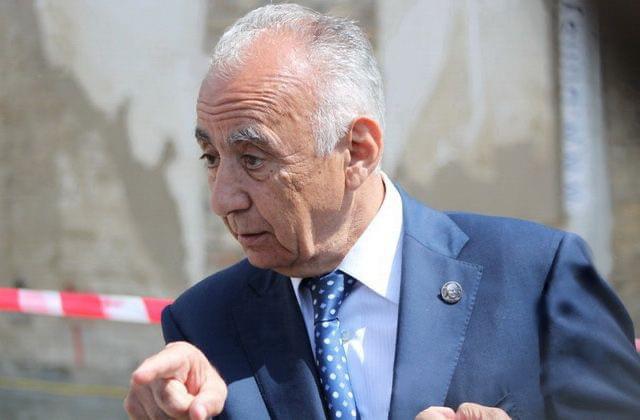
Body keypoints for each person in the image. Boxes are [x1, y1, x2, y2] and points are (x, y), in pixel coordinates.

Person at [124, 4, 640, 419]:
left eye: (254, 159)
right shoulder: (204, 325)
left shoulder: (537, 278)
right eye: (211, 158)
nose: (223, 199)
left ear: (357, 152)